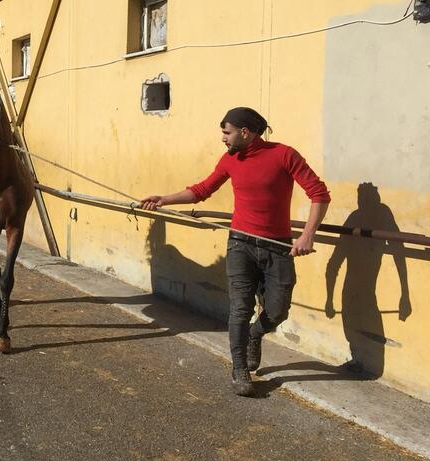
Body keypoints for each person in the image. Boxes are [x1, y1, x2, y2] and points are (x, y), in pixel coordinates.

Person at [140, 107, 331, 397]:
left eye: (227, 132)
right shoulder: (230, 159)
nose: (223, 139)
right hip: (240, 243)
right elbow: (202, 189)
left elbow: (319, 194)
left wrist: (307, 235)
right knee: (240, 308)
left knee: (278, 311)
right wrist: (164, 199)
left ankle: (256, 335)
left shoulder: (284, 154)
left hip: (277, 246)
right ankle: (240, 369)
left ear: (245, 132)